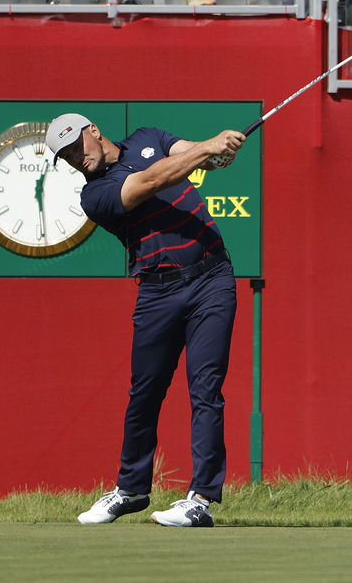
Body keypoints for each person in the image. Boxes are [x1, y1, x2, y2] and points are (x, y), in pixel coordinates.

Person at [47, 112, 244, 528]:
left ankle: (201, 498)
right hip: (158, 291)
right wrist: (207, 146)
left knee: (205, 386)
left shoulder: (149, 136)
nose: (73, 158)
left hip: (212, 277)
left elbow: (196, 157)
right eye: (63, 156)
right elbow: (150, 182)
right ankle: (131, 489)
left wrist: (219, 150)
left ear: (93, 131)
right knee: (145, 393)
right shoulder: (95, 194)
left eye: (75, 147)